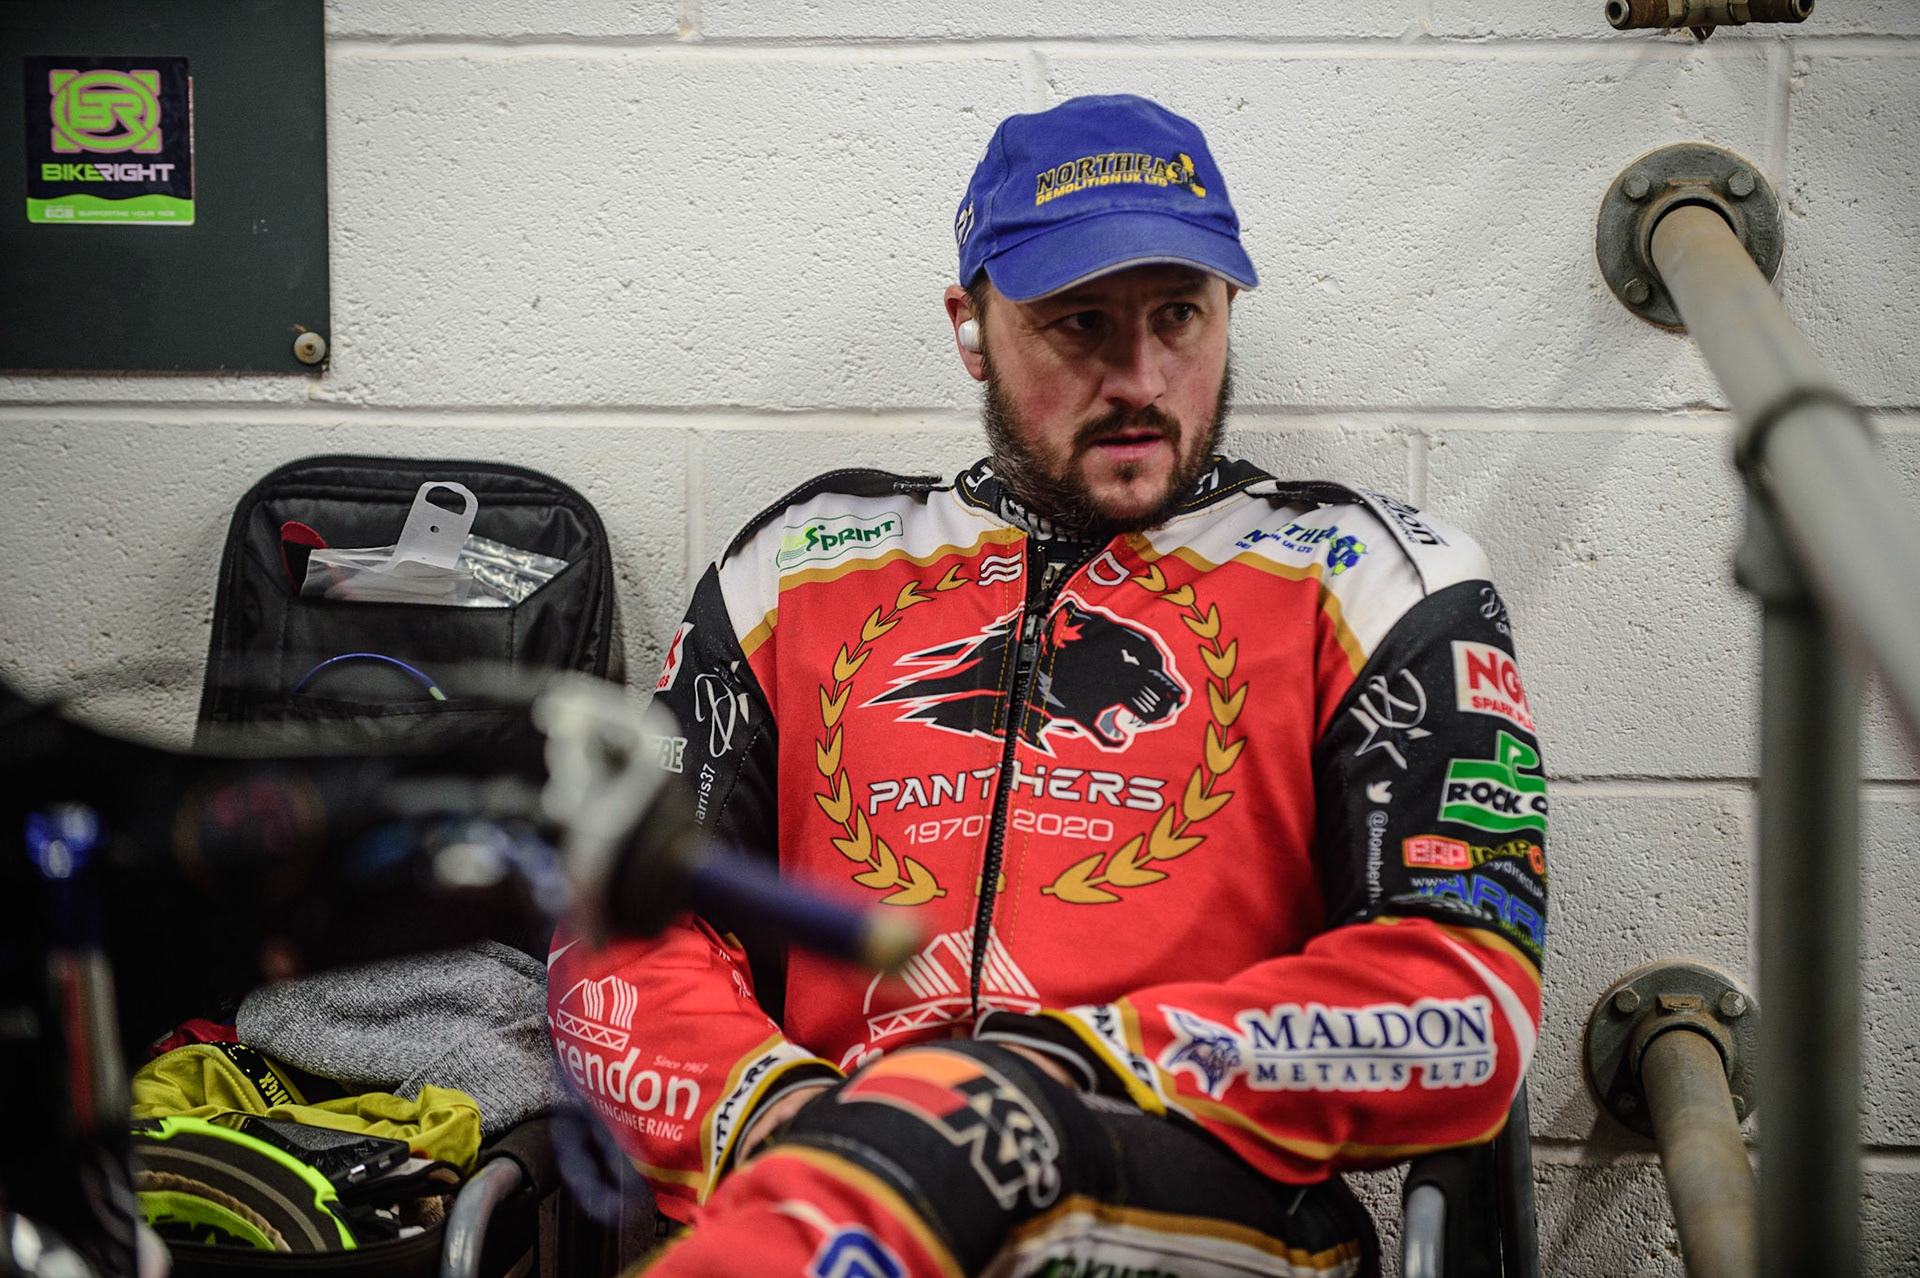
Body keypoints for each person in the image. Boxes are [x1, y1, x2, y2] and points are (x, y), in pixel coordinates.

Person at [547, 94, 1547, 1277]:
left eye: (1180, 316)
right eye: (1079, 325)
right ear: (973, 327)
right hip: (829, 1180)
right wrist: (770, 1113)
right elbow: (614, 931)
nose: (1141, 378)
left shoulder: (1378, 577)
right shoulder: (800, 564)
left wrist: (1044, 1083)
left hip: (1192, 1198)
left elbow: (1460, 997)